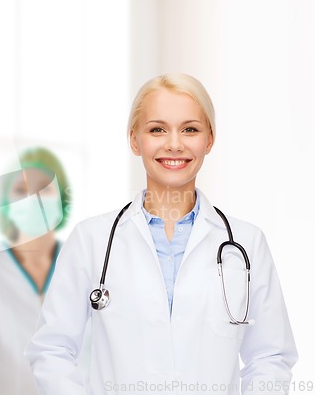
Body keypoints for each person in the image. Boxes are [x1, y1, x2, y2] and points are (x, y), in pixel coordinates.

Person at [25, 73, 298, 394]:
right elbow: (52, 350)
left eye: (190, 129)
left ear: (209, 140)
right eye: (157, 129)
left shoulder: (246, 243)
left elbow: (270, 356)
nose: (174, 144)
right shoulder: (92, 240)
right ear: (134, 140)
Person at [0, 147, 89, 395]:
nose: (33, 198)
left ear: (62, 199)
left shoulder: (82, 262)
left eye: (44, 188)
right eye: (20, 190)